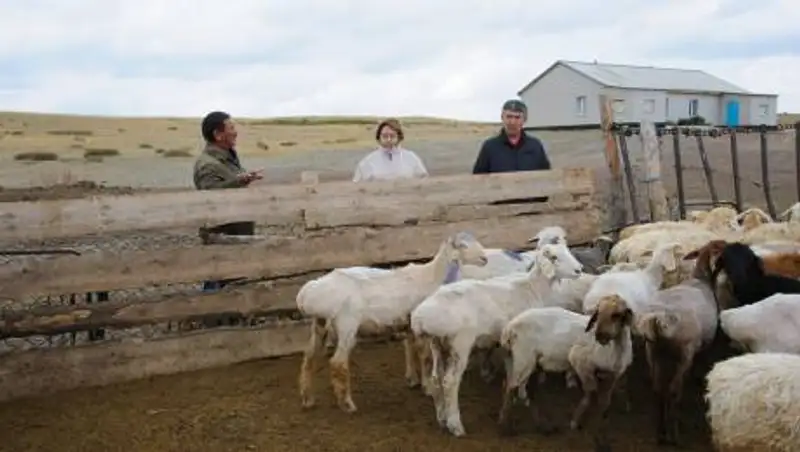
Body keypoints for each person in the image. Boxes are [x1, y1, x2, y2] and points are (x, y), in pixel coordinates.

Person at [193, 111, 263, 294]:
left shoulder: (227, 158)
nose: (236, 132)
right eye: (231, 128)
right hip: (222, 239)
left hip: (235, 237)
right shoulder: (207, 165)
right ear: (218, 134)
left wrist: (244, 180)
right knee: (218, 285)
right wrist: (239, 181)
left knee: (233, 283)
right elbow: (211, 199)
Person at [472, 99, 551, 174]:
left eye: (517, 117)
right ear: (502, 117)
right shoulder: (490, 147)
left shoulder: (535, 146)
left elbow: (547, 177)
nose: (512, 122)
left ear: (525, 119)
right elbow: (477, 179)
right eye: (509, 116)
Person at [352, 118, 429, 182]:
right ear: (379, 138)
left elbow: (424, 181)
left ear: (399, 137)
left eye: (392, 136)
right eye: (385, 136)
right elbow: (357, 186)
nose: (388, 139)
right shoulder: (368, 162)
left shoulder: (411, 158)